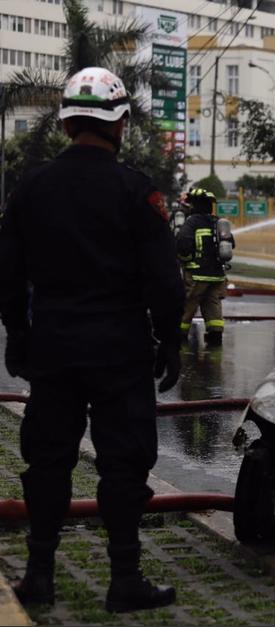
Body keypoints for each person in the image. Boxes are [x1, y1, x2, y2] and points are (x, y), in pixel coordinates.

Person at [0, 67, 182, 612]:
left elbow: (7, 272)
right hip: (121, 350)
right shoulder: (137, 191)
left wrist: (17, 333)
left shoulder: (30, 186)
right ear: (120, 122)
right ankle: (125, 579)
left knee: (49, 461)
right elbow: (165, 281)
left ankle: (39, 577)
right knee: (124, 464)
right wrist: (169, 341)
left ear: (67, 123)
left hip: (53, 347)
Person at [177, 187, 235, 347]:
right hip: (217, 276)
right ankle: (215, 335)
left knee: (188, 305)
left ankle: (179, 336)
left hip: (196, 275)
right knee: (213, 305)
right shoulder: (218, 222)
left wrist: (184, 261)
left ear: (195, 205)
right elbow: (231, 243)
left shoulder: (191, 222)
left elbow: (183, 245)